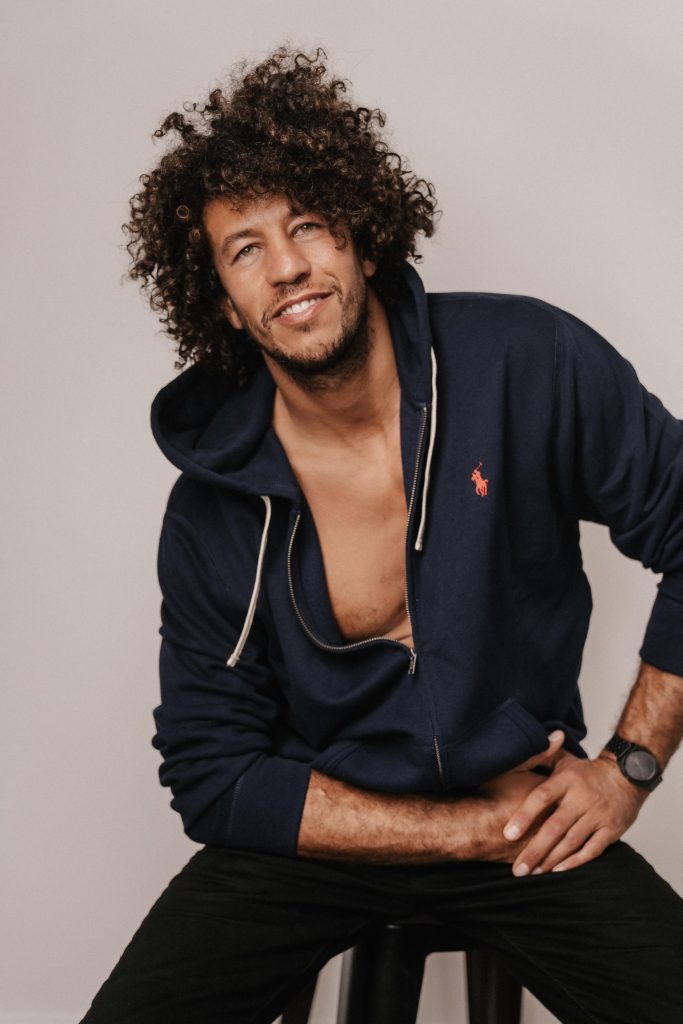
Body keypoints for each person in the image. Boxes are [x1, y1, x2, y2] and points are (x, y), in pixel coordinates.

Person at [80, 46, 683, 1024]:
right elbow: (212, 774)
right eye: (244, 250)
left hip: (525, 816)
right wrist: (459, 830)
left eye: (306, 225)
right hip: (325, 836)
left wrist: (627, 769)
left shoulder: (523, 361)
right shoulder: (213, 506)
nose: (286, 267)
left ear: (361, 237)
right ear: (224, 304)